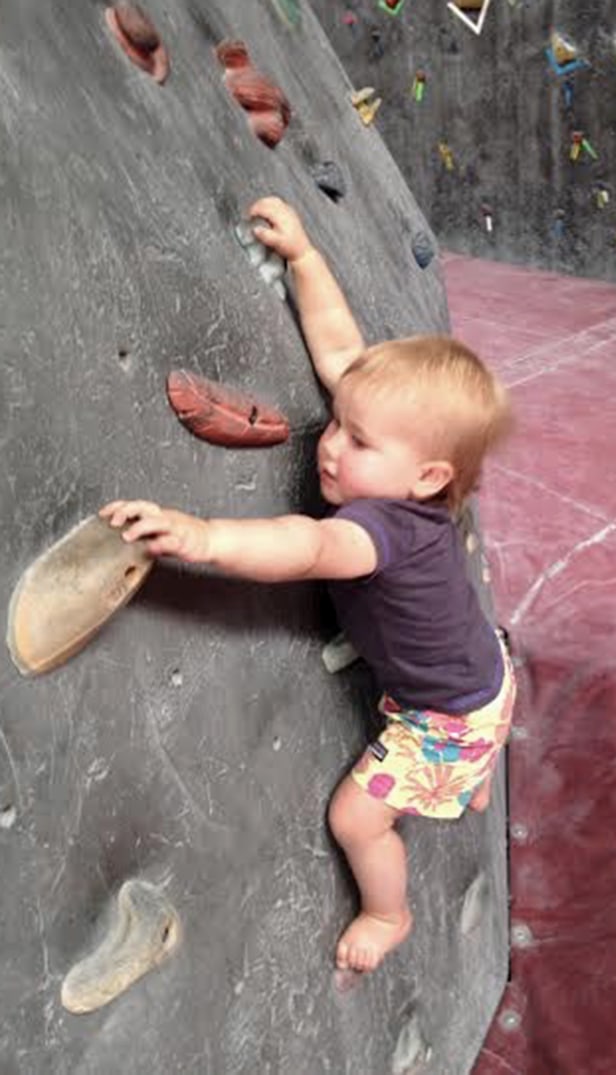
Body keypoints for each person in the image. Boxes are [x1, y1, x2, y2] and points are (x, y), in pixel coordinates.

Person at [100, 196, 516, 975]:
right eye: (336, 424)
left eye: (357, 441)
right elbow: (339, 351)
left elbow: (305, 543)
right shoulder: (402, 466)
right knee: (468, 744)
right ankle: (474, 774)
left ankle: (389, 911)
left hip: (447, 716)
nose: (329, 446)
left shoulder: (379, 532)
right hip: (484, 675)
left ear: (426, 476)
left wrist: (202, 535)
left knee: (357, 818)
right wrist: (304, 257)